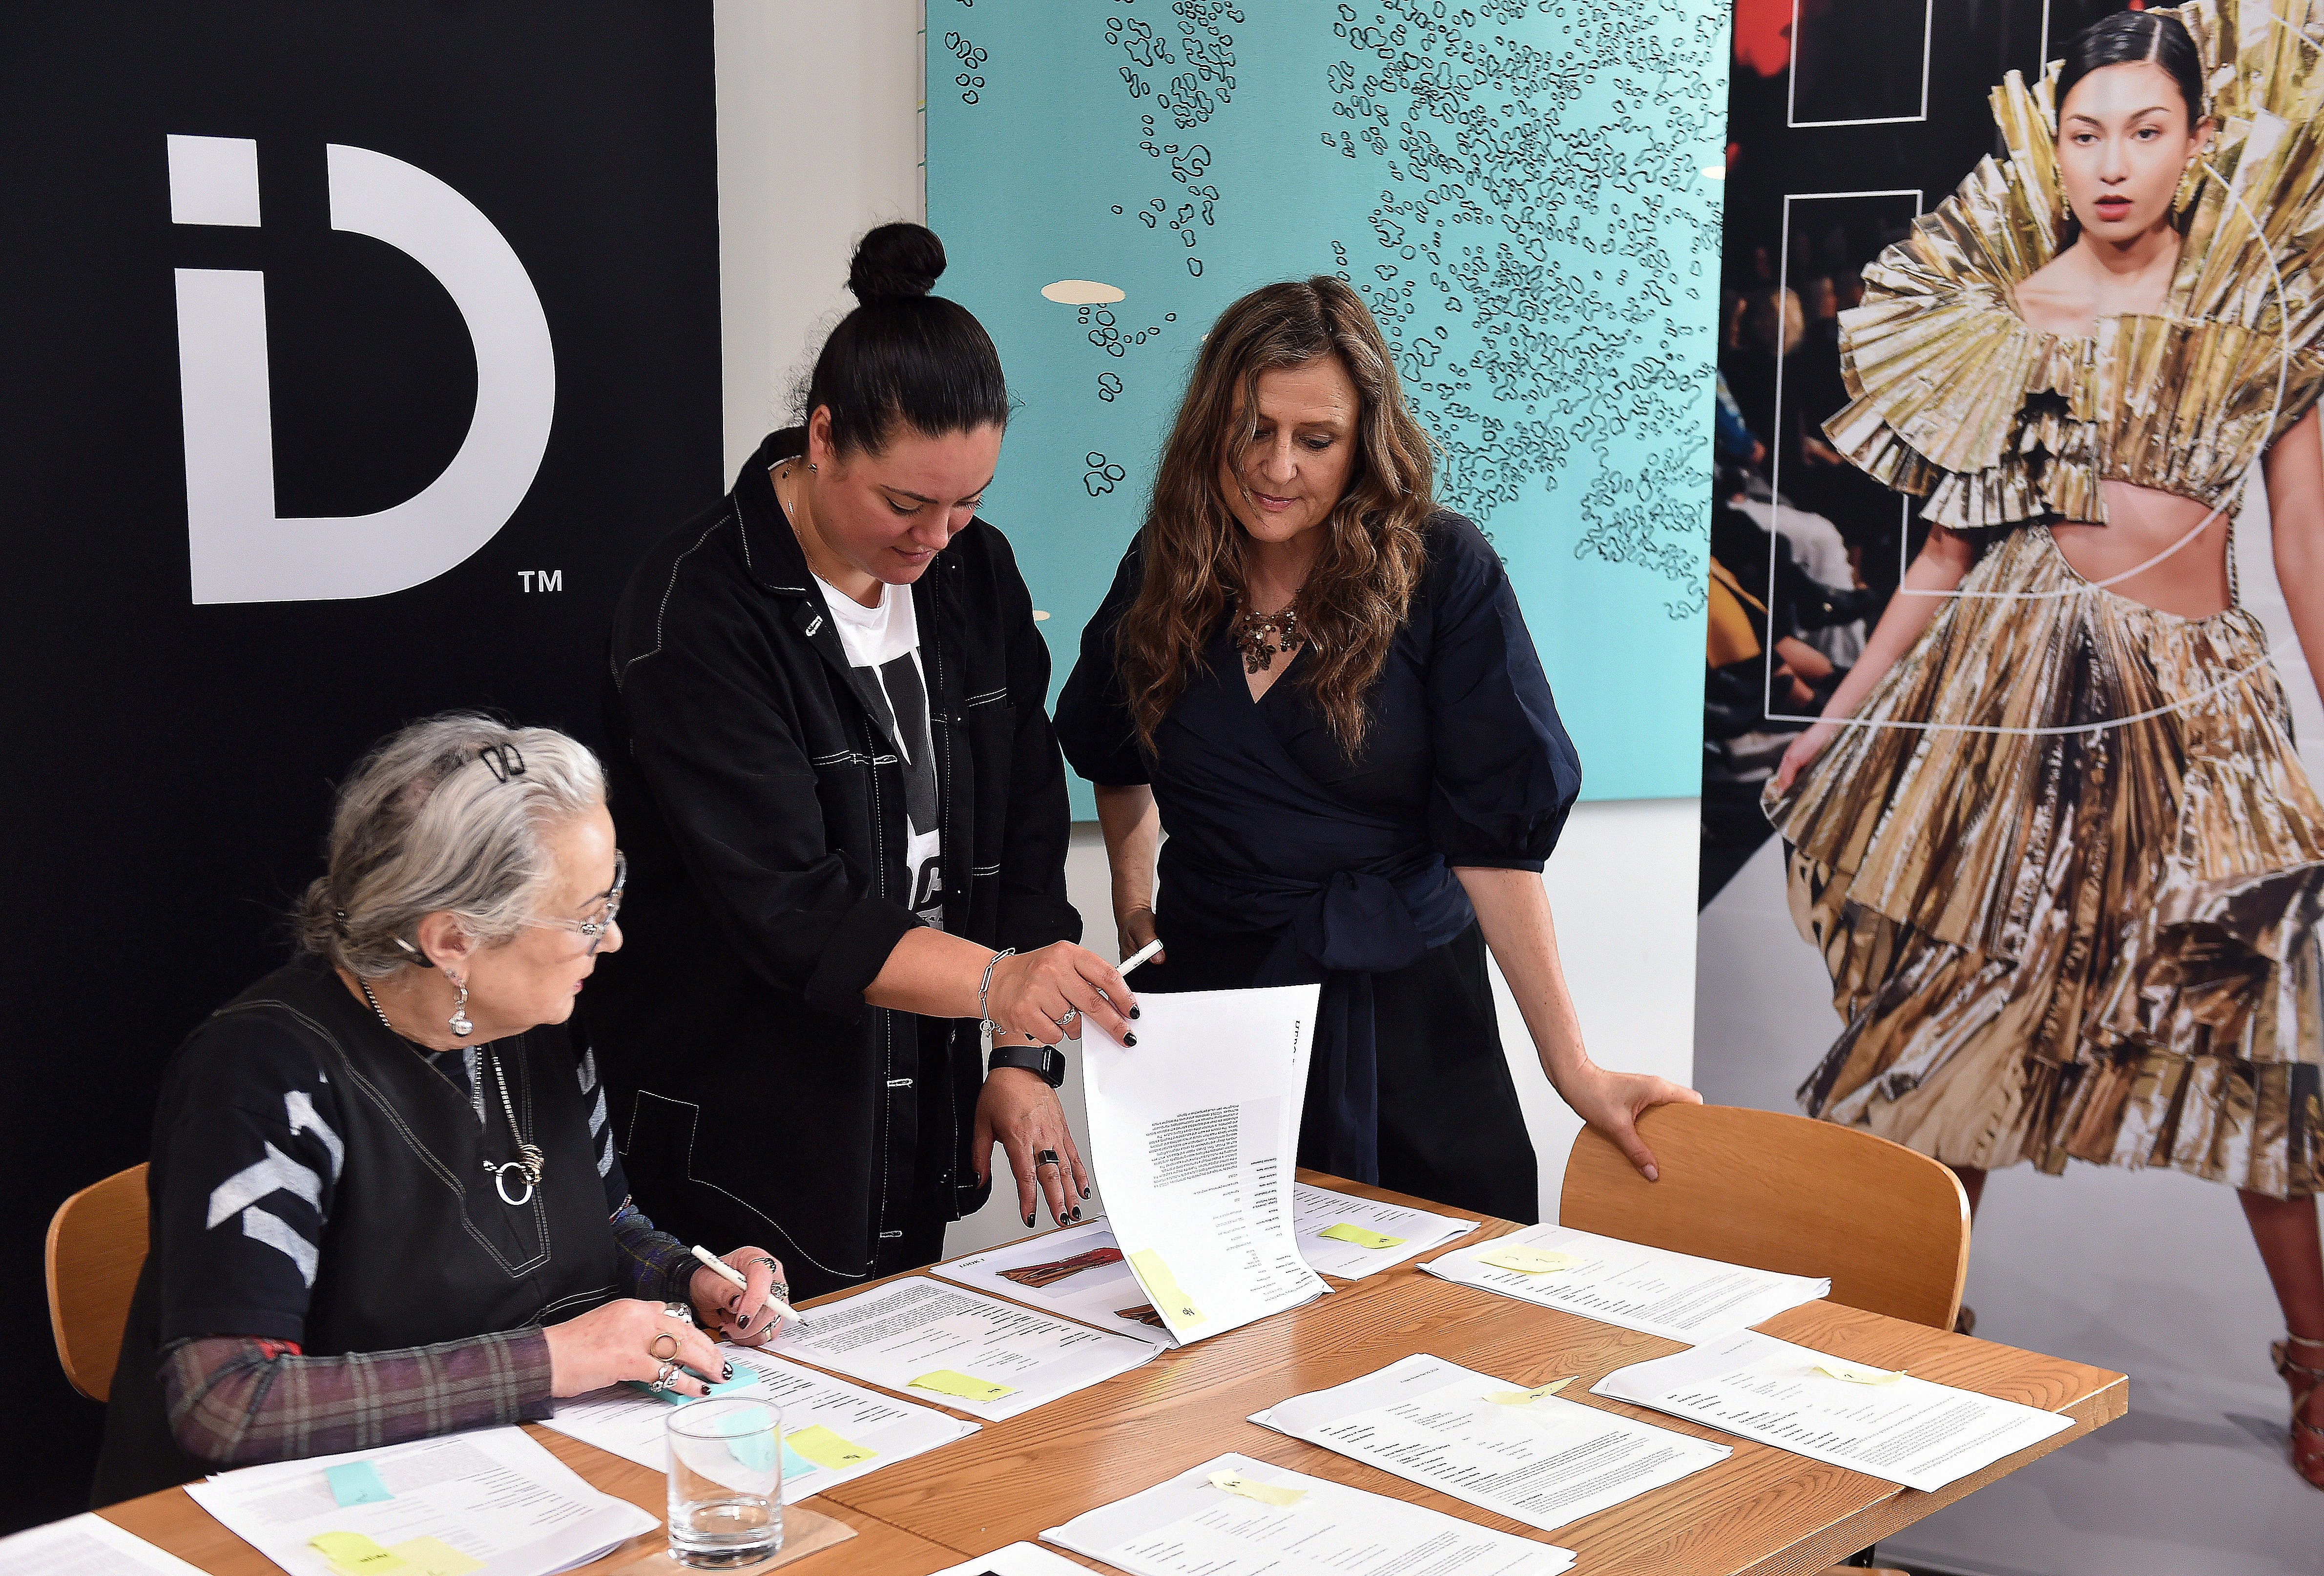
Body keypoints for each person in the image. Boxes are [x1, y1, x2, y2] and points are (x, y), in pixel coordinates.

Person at [1765, 4, 2324, 1486]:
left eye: (2147, 129)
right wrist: (1840, 711)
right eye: (2087, 132)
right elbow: (1945, 554)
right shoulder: (2014, 313)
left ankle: (2317, 1356)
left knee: (2245, 1006)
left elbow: (2304, 538)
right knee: (1971, 991)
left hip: (2197, 706)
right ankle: (1914, 1320)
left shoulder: (2260, 318)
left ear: (2197, 142)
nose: (2114, 162)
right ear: (2057, 145)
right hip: (2012, 686)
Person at [1053, 277, 1698, 1222]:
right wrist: (1132, 901)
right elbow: (1113, 739)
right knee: (1215, 1318)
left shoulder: (1442, 572)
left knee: (1448, 1327)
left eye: (1315, 441)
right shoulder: (1168, 564)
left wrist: (1575, 1068)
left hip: (1409, 1025)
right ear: (1210, 428)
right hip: (1213, 1009)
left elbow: (1495, 845)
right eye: (1253, 430)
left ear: (1363, 447)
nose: (1277, 467)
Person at [586, 224, 1133, 1301]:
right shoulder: (698, 608)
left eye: (968, 499)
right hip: (746, 1130)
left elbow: (1024, 827)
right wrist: (996, 985)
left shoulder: (975, 574)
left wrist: (1018, 1054)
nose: (937, 536)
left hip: (909, 1117)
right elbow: (791, 909)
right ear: (823, 436)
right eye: (904, 503)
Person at [93, 716, 786, 1506]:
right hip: (298, 1522)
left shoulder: (542, 1022)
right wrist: (559, 1360)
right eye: (588, 915)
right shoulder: (264, 1075)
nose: (615, 938)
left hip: (518, 1481)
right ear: (453, 940)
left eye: (613, 894)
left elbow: (609, 1224)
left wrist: (697, 1280)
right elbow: (229, 1400)